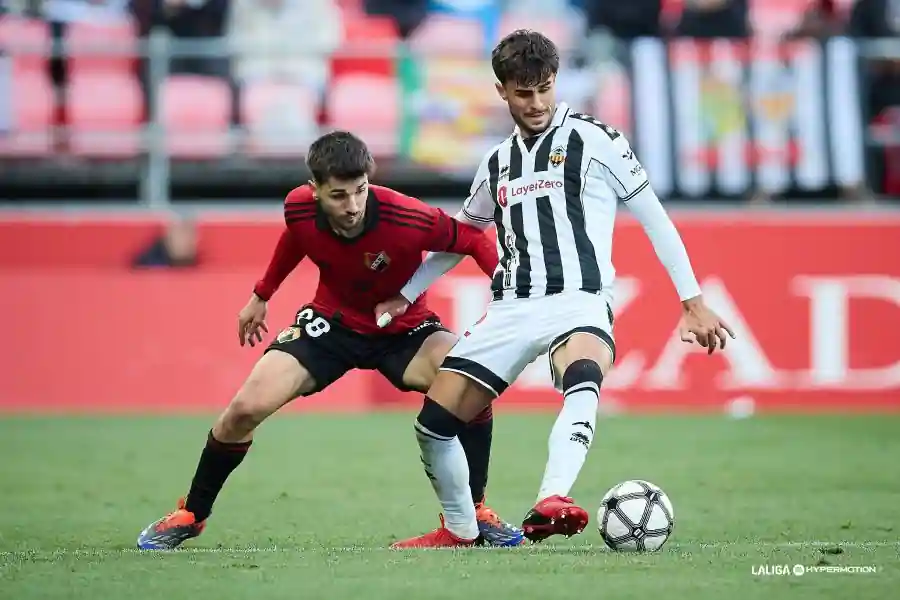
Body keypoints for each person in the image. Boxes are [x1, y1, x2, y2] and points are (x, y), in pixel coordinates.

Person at [380, 30, 735, 548]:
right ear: (502, 91)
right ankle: (459, 529)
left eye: (545, 88)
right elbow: (465, 235)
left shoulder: (597, 140)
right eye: (524, 93)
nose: (537, 102)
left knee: (584, 372)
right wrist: (407, 291)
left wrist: (693, 300)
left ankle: (552, 497)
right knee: (433, 426)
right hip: (510, 308)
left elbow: (654, 217)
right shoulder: (497, 162)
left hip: (579, 298)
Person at [136, 131, 524, 550]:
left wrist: (510, 299)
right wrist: (261, 295)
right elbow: (296, 238)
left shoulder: (407, 217)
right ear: (314, 189)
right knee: (243, 409)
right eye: (339, 195)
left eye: (360, 191)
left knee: (472, 387)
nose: (353, 206)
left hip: (404, 330)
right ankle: (191, 514)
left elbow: (472, 240)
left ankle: (477, 510)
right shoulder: (298, 208)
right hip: (330, 325)